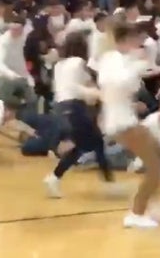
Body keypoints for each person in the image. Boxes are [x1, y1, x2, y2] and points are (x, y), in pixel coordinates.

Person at [96, 22, 160, 228]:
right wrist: (136, 66)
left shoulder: (123, 59)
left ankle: (151, 203)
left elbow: (128, 82)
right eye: (134, 40)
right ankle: (136, 213)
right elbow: (115, 84)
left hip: (125, 119)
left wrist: (142, 65)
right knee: (154, 166)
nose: (138, 43)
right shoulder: (111, 60)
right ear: (123, 41)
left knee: (159, 155)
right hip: (120, 122)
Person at [43, 31, 115, 198]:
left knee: (82, 145)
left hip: (60, 108)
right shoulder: (79, 62)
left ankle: (55, 178)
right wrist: (99, 94)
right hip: (75, 107)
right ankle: (109, 183)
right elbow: (79, 88)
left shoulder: (59, 65)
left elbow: (63, 89)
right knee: (96, 142)